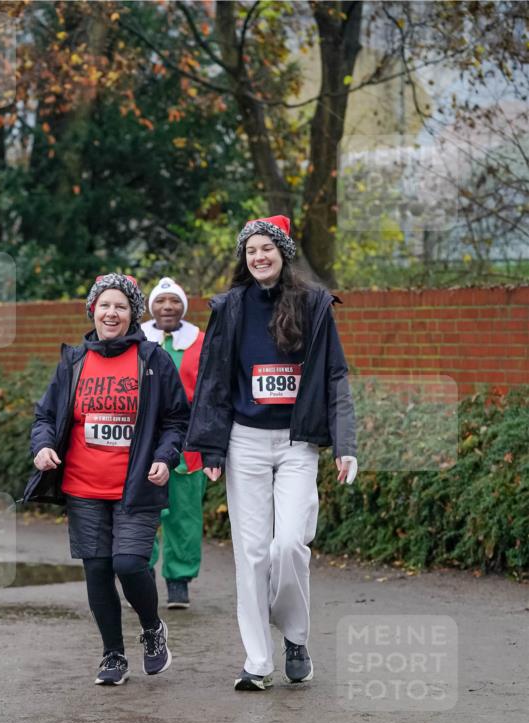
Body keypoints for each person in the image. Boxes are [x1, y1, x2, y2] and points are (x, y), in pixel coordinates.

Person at [185, 215, 358, 691]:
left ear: (283, 253)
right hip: (244, 443)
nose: (258, 257)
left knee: (289, 546)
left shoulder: (314, 304)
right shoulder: (231, 307)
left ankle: (296, 637)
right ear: (244, 259)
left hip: (298, 442)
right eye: (251, 250)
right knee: (252, 554)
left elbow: (336, 376)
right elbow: (213, 380)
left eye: (267, 248)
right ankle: (257, 660)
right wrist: (211, 448)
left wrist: (345, 445)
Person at [24, 273, 190, 687]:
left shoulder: (153, 361)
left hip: (135, 485)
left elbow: (176, 419)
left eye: (120, 306)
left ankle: (152, 629)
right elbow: (45, 416)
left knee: (130, 564)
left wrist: (166, 456)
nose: (111, 312)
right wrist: (42, 448)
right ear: (92, 311)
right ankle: (113, 654)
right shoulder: (74, 362)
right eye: (104, 305)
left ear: (133, 313)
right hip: (83, 486)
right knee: (98, 571)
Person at [141, 277, 206, 609]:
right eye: (161, 301)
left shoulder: (201, 342)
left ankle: (179, 581)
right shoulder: (134, 340)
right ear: (151, 306)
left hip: (188, 445)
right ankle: (143, 575)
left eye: (175, 301)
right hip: (142, 444)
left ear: (184, 305)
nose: (168, 307)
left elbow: (211, 393)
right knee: (143, 513)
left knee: (184, 516)